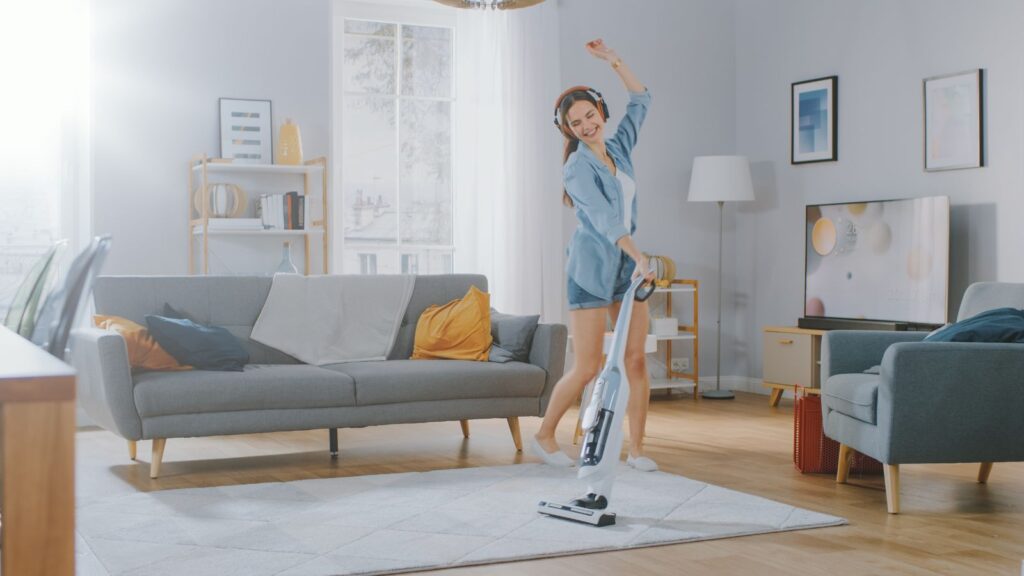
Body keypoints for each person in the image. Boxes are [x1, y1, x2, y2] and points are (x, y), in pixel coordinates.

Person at [531, 39, 658, 472]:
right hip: (590, 268)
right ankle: (545, 434)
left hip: (627, 266)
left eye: (590, 116)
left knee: (636, 358)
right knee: (588, 366)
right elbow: (605, 219)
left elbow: (642, 99)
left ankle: (637, 450)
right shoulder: (575, 169)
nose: (586, 125)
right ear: (567, 130)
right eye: (576, 123)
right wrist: (640, 255)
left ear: (601, 112)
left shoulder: (619, 147)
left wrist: (614, 61)